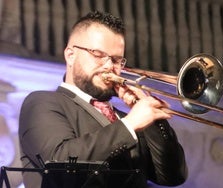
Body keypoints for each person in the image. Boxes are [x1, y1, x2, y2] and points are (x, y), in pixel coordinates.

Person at [19, 11, 187, 188]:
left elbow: (173, 176)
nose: (109, 66)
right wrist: (130, 125)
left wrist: (153, 120)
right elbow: (60, 163)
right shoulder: (41, 103)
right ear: (70, 55)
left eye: (116, 60)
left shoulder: (126, 118)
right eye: (98, 54)